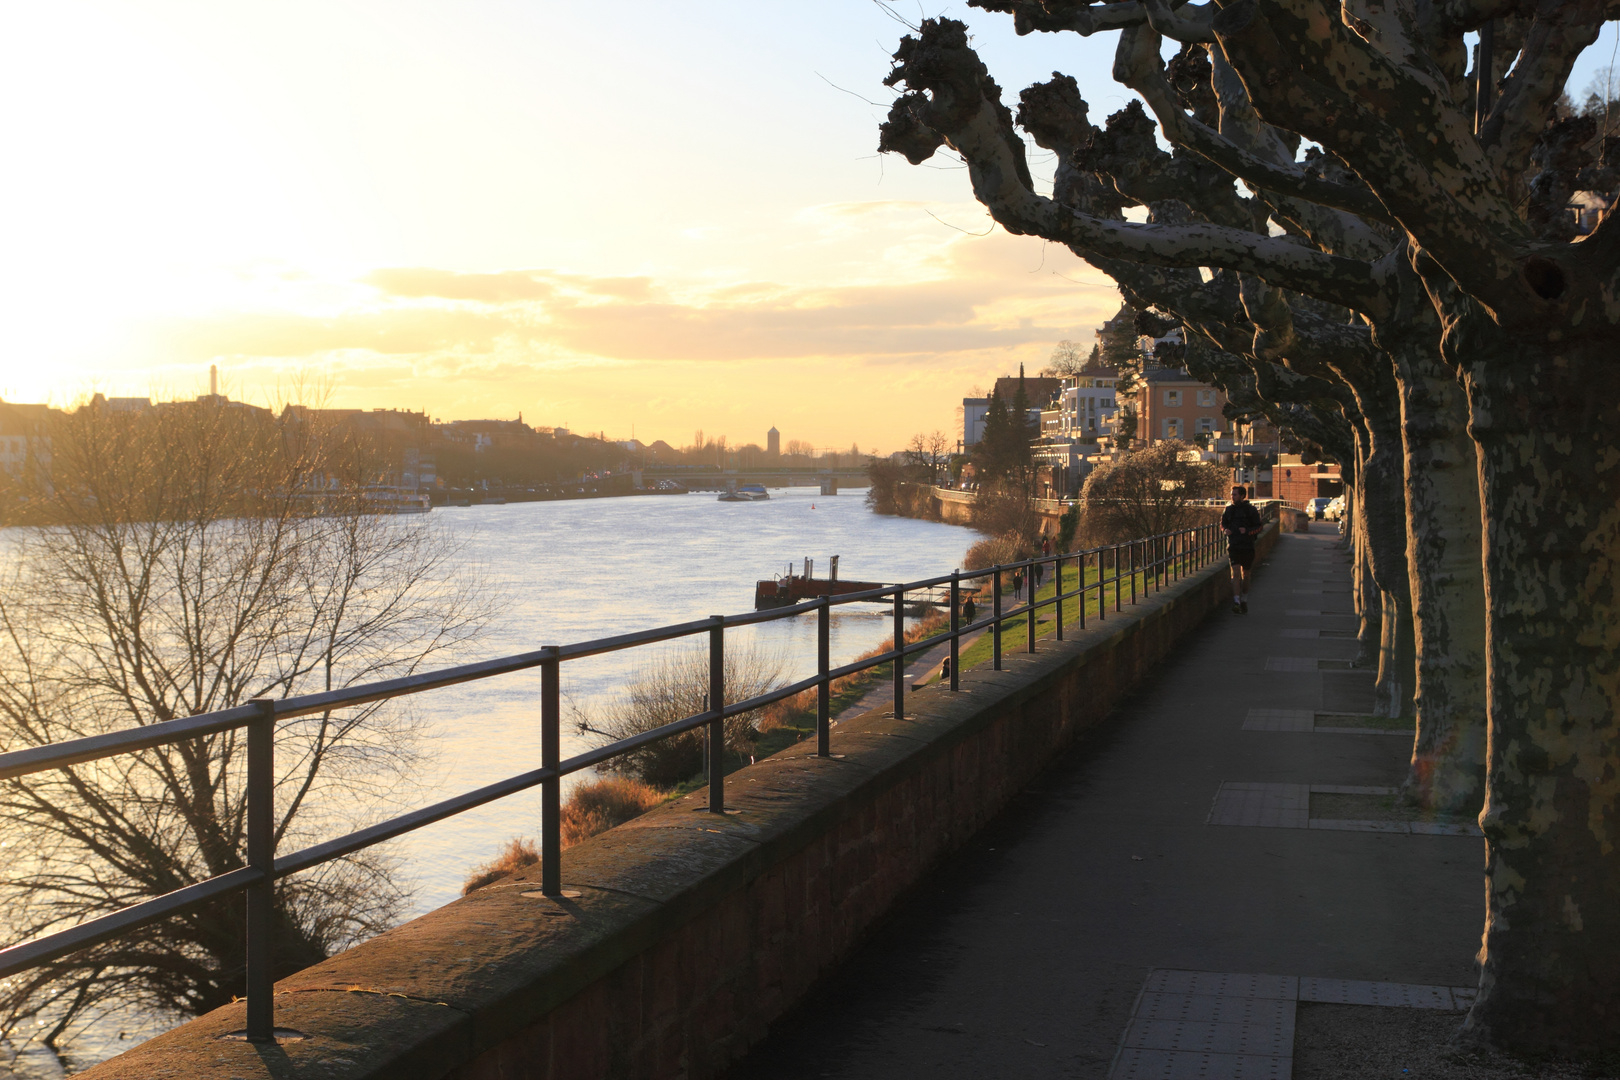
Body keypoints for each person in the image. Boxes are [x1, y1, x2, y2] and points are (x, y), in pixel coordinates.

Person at [1221, 484, 1263, 614]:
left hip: (1247, 546)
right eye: (1231, 494)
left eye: (1235, 494)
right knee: (1235, 574)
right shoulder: (1228, 510)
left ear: (1242, 496)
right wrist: (1225, 530)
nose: (1232, 497)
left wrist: (1248, 531)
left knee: (1246, 574)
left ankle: (1244, 599)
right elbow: (1222, 524)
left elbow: (1259, 527)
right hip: (1233, 546)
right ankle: (1236, 601)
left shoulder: (1251, 510)